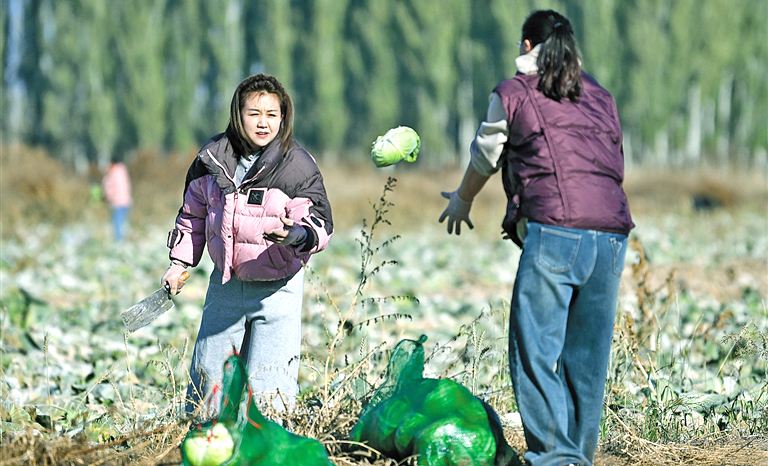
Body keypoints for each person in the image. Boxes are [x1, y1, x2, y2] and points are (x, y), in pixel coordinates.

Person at [439, 10, 634, 466]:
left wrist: (462, 200)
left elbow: (487, 155)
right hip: (611, 236)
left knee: (534, 350)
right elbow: (616, 161)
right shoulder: (601, 96)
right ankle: (575, 457)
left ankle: (555, 458)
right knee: (587, 359)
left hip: (556, 232)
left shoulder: (513, 92)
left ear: (526, 47)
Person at [162, 73, 333, 417]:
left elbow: (319, 221)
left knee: (270, 392)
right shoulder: (211, 159)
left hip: (278, 291)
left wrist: (296, 235)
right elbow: (192, 216)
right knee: (208, 388)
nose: (263, 122)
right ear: (237, 115)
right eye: (253, 113)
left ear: (283, 118)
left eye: (272, 114)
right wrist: (179, 264)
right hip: (226, 285)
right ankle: (205, 444)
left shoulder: (297, 164)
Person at [101, 158, 132, 241]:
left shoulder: (113, 173)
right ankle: (123, 239)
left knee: (117, 223)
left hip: (117, 201)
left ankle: (119, 241)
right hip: (126, 200)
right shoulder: (123, 171)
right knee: (123, 222)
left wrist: (107, 196)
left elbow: (111, 187)